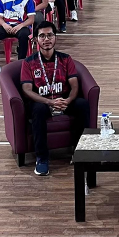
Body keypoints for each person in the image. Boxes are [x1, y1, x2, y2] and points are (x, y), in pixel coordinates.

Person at [20, 21, 90, 176]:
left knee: (82, 104)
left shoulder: (66, 59)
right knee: (38, 110)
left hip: (63, 101)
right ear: (36, 40)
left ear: (55, 37)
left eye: (50, 35)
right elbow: (26, 90)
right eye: (42, 36)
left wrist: (68, 100)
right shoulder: (28, 62)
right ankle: (42, 158)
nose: (46, 39)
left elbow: (75, 85)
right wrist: (49, 102)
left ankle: (80, 151)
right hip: (42, 102)